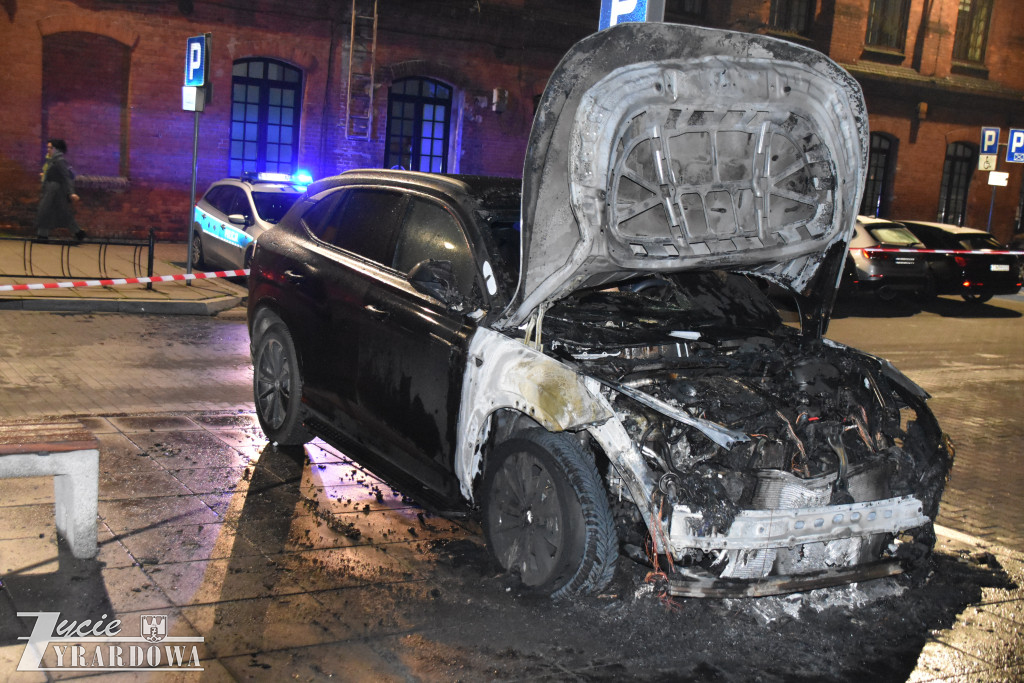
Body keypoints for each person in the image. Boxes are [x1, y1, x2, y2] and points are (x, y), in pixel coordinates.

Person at [35, 138, 85, 242]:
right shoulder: (52, 160)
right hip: (51, 190)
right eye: (48, 147)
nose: (48, 149)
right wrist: (45, 175)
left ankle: (42, 236)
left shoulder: (59, 161)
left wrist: (72, 193)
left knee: (45, 211)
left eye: (50, 147)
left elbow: (66, 177)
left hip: (56, 191)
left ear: (57, 149)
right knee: (56, 212)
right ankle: (78, 232)